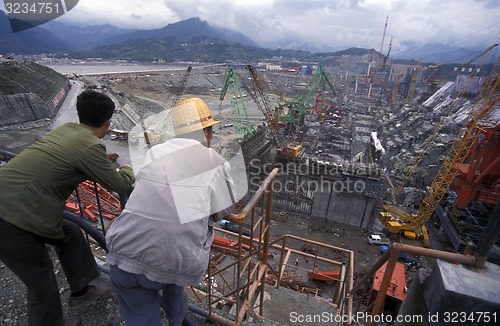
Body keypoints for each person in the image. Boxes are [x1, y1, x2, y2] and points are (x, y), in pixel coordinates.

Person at [0, 90, 136, 326]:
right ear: (108, 122)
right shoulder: (91, 146)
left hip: (16, 199)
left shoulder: (65, 130)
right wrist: (127, 168)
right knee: (40, 278)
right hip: (11, 214)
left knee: (71, 233)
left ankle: (81, 291)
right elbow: (119, 183)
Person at [106, 97, 237, 326]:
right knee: (173, 276)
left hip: (122, 252)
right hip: (175, 262)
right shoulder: (215, 162)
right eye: (211, 131)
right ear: (206, 131)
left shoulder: (156, 152)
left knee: (141, 313)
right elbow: (222, 212)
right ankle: (177, 321)